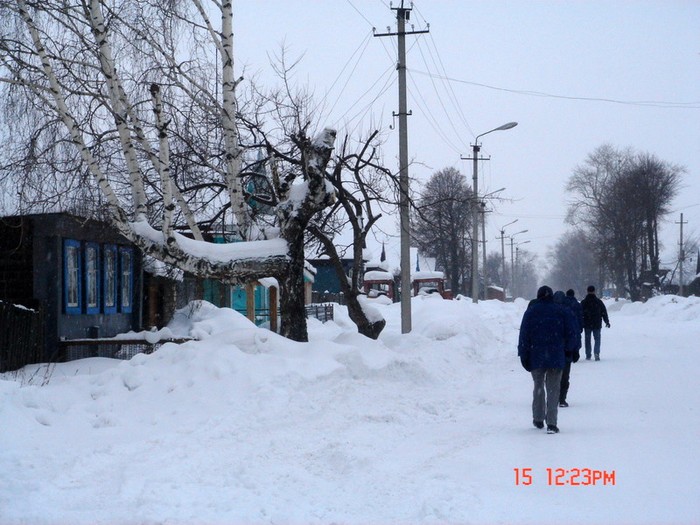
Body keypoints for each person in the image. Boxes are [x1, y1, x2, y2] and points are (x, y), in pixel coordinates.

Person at [518, 285, 577, 434]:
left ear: (538, 296)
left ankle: (538, 418)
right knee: (553, 389)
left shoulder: (531, 312)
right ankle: (551, 423)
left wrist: (523, 355)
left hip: (536, 355)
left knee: (538, 386)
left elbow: (524, 335)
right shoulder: (562, 311)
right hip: (556, 355)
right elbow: (571, 333)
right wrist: (569, 350)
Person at [557, 289, 583, 407]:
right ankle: (562, 398)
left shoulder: (549, 312)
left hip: (552, 351)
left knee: (552, 376)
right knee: (565, 376)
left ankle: (552, 396)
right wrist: (576, 349)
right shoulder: (569, 312)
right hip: (566, 350)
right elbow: (574, 332)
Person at [580, 285, 610, 361]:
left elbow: (580, 313)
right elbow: (604, 312)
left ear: (587, 291)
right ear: (594, 291)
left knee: (587, 340)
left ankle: (588, 354)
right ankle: (596, 353)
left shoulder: (584, 302)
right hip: (597, 323)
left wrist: (580, 323)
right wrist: (606, 321)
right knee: (597, 339)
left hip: (587, 323)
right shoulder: (599, 302)